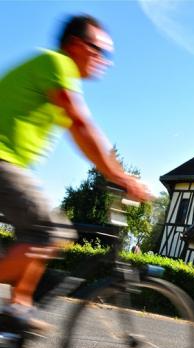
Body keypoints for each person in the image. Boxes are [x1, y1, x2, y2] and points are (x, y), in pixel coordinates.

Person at [0, 15, 150, 331]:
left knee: (34, 235)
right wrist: (121, 178)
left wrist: (116, 173)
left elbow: (83, 134)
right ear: (76, 45)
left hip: (10, 163)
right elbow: (81, 126)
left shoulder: (55, 74)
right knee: (53, 232)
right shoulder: (57, 65)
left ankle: (18, 309)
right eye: (99, 51)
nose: (104, 61)